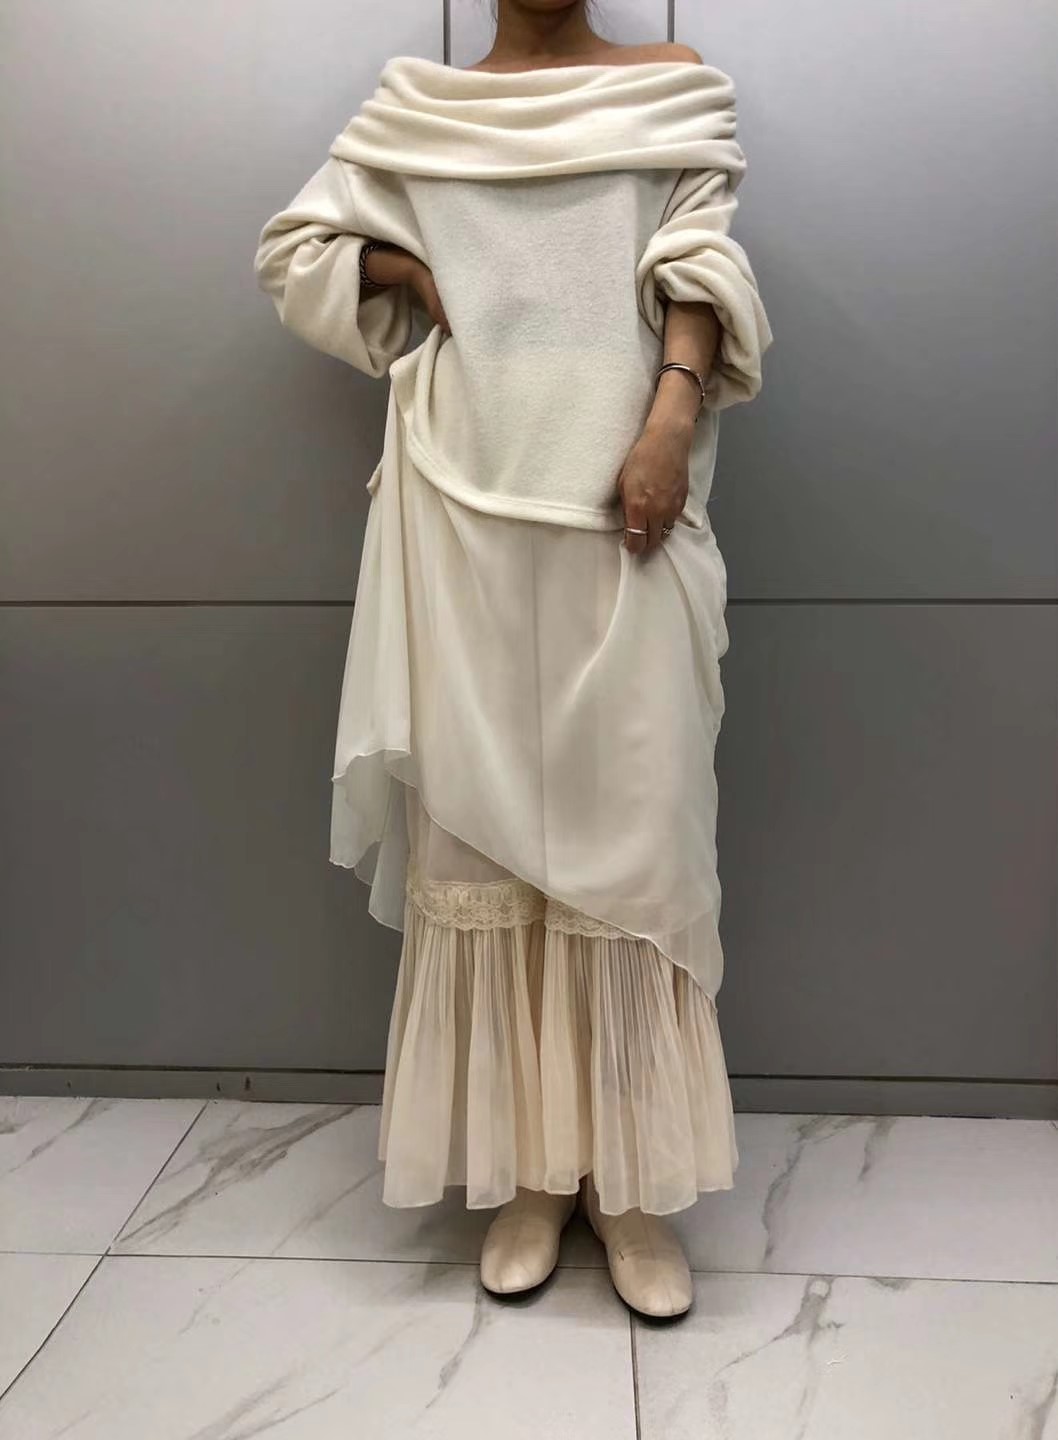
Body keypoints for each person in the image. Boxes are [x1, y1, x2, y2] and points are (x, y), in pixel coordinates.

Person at [253, 0, 772, 1319]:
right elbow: (296, 253)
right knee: (482, 855)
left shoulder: (666, 85)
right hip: (457, 515)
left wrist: (668, 419)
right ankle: (533, 1176)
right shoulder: (421, 112)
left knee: (638, 844)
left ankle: (632, 1186)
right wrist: (414, 273)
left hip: (626, 512)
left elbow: (698, 264)